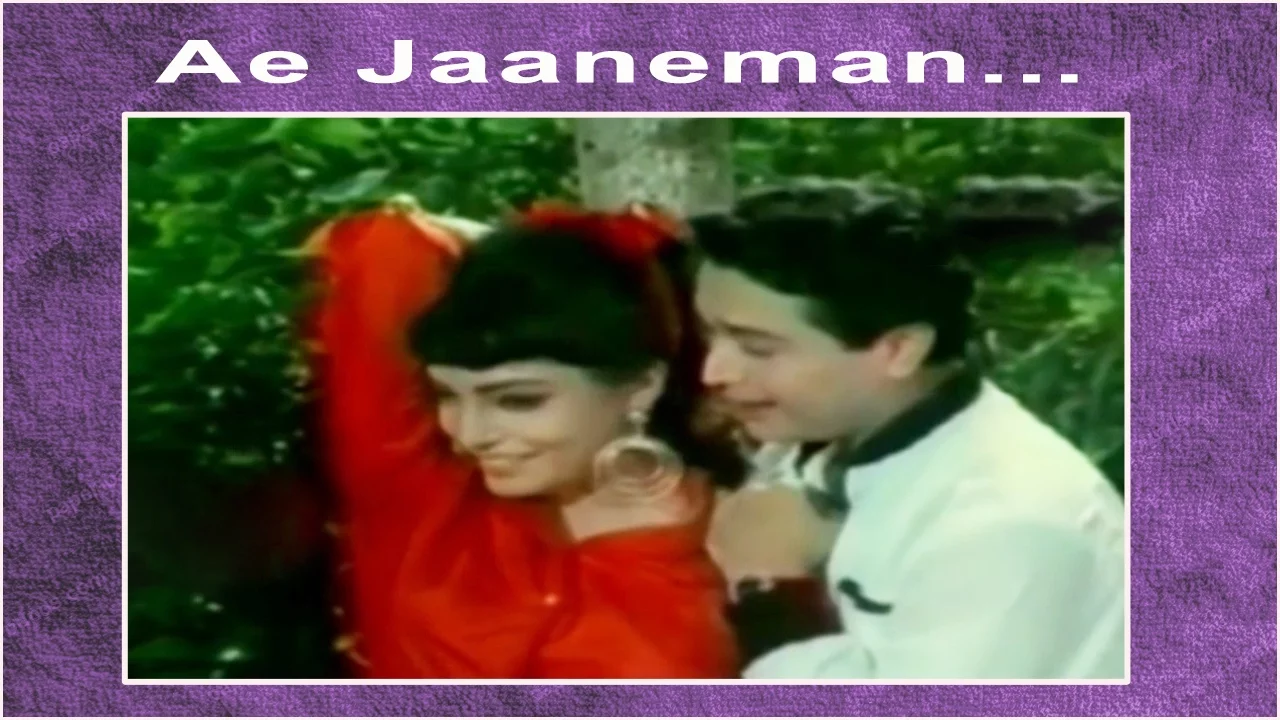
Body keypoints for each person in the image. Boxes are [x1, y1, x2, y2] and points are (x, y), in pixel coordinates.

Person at [692, 179, 1126, 680]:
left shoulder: (1011, 522)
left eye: (758, 349)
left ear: (900, 350)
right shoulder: (829, 431)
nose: (712, 371)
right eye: (710, 335)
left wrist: (770, 588)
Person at [304, 198, 745, 679]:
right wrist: (531, 257)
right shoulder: (421, 495)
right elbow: (389, 243)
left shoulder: (741, 533)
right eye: (447, 396)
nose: (471, 435)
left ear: (642, 386)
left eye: (518, 401)